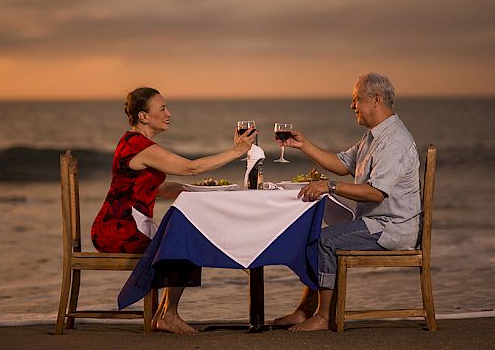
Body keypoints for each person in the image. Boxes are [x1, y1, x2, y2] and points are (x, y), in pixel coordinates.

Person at [91, 86, 256, 333]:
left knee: (184, 236)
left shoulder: (138, 144)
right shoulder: (137, 144)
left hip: (126, 223)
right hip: (118, 228)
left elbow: (152, 189)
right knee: (183, 240)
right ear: (143, 116)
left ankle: (166, 313)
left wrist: (193, 190)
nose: (169, 113)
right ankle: (168, 315)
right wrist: (237, 151)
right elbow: (192, 167)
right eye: (163, 108)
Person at [273, 72, 421, 331]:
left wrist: (328, 186)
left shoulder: (394, 141)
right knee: (315, 235)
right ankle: (304, 311)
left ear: (375, 100)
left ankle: (323, 317)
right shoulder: (374, 136)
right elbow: (342, 165)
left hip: (391, 228)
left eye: (356, 99)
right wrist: (304, 145)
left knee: (326, 240)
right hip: (374, 222)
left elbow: (376, 193)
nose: (352, 106)